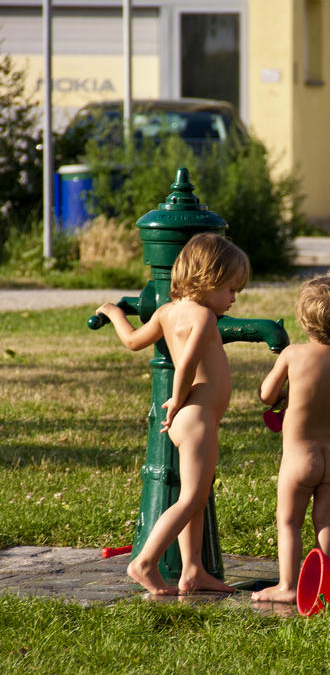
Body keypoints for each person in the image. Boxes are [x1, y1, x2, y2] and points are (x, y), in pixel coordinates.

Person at [96, 232, 250, 596]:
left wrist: (114, 312)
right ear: (208, 279)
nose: (232, 299)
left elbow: (132, 341)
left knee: (194, 495)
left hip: (191, 418)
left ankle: (193, 571)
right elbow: (187, 365)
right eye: (230, 289)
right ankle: (145, 562)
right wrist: (178, 400)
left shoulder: (166, 312)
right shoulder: (204, 317)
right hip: (196, 416)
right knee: (193, 497)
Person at [252, 274, 330, 604]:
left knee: (289, 522)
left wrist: (289, 394)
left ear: (303, 321)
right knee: (328, 521)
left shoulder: (293, 354)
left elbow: (266, 395)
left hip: (299, 460)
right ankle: (325, 585)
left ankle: (288, 587)